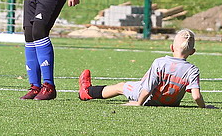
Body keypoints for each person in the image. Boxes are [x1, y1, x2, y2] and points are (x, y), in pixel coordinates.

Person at [78, 29, 212, 108]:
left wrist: (138, 103)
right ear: (192, 52)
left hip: (148, 99)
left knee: (121, 86)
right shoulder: (192, 70)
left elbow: (147, 89)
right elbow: (196, 96)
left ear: (171, 47)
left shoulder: (160, 63)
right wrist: (204, 107)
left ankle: (87, 92)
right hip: (171, 103)